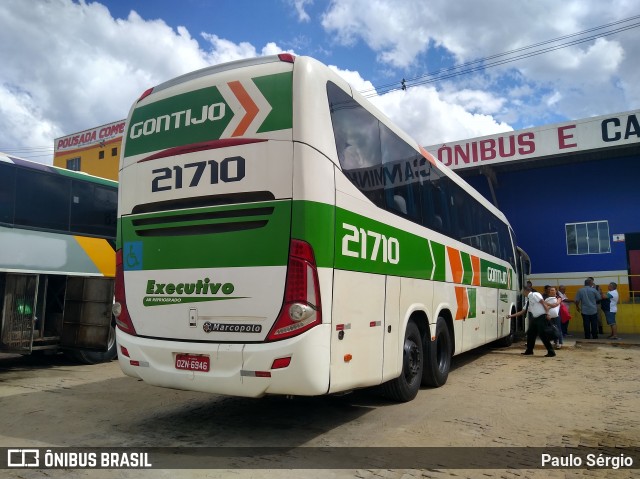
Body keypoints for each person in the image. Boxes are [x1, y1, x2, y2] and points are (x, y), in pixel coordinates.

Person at [508, 286, 555, 357]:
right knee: (530, 334)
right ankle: (529, 350)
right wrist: (511, 316)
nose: (522, 293)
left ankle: (551, 352)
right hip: (535, 318)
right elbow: (523, 311)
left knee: (543, 335)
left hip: (542, 317)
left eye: (522, 291)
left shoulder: (535, 294)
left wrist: (547, 313)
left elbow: (543, 303)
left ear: (525, 291)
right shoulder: (528, 300)